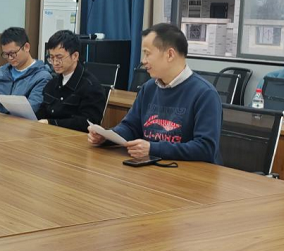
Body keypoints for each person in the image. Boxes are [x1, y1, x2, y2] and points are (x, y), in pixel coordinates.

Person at [88, 23, 223, 164]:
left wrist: (153, 148)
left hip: (191, 173)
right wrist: (107, 137)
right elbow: (131, 127)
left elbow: (205, 148)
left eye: (147, 53)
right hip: (154, 167)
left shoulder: (205, 94)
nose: (143, 61)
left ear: (170, 55)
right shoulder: (149, 88)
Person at [36, 30, 106, 132]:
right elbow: (42, 112)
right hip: (49, 135)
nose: (55, 63)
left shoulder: (91, 87)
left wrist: (51, 123)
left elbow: (87, 122)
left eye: (59, 57)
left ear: (75, 56)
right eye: (51, 58)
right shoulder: (51, 84)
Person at [0, 27, 52, 114]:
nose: (10, 58)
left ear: (26, 47)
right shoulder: (2, 71)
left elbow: (31, 109)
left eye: (13, 53)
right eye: (6, 54)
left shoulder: (42, 77)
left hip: (21, 121)